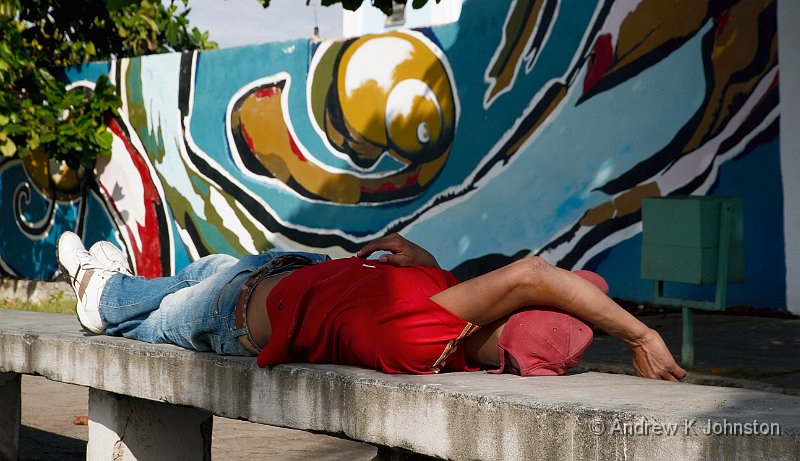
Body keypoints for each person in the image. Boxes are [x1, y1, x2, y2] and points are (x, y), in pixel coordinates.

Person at [56, 231, 686, 381]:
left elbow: (531, 273)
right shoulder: (444, 315)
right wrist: (421, 256)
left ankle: (100, 287)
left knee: (121, 313)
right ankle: (113, 283)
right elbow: (522, 281)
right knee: (189, 273)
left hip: (232, 315)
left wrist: (639, 338)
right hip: (272, 274)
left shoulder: (429, 334)